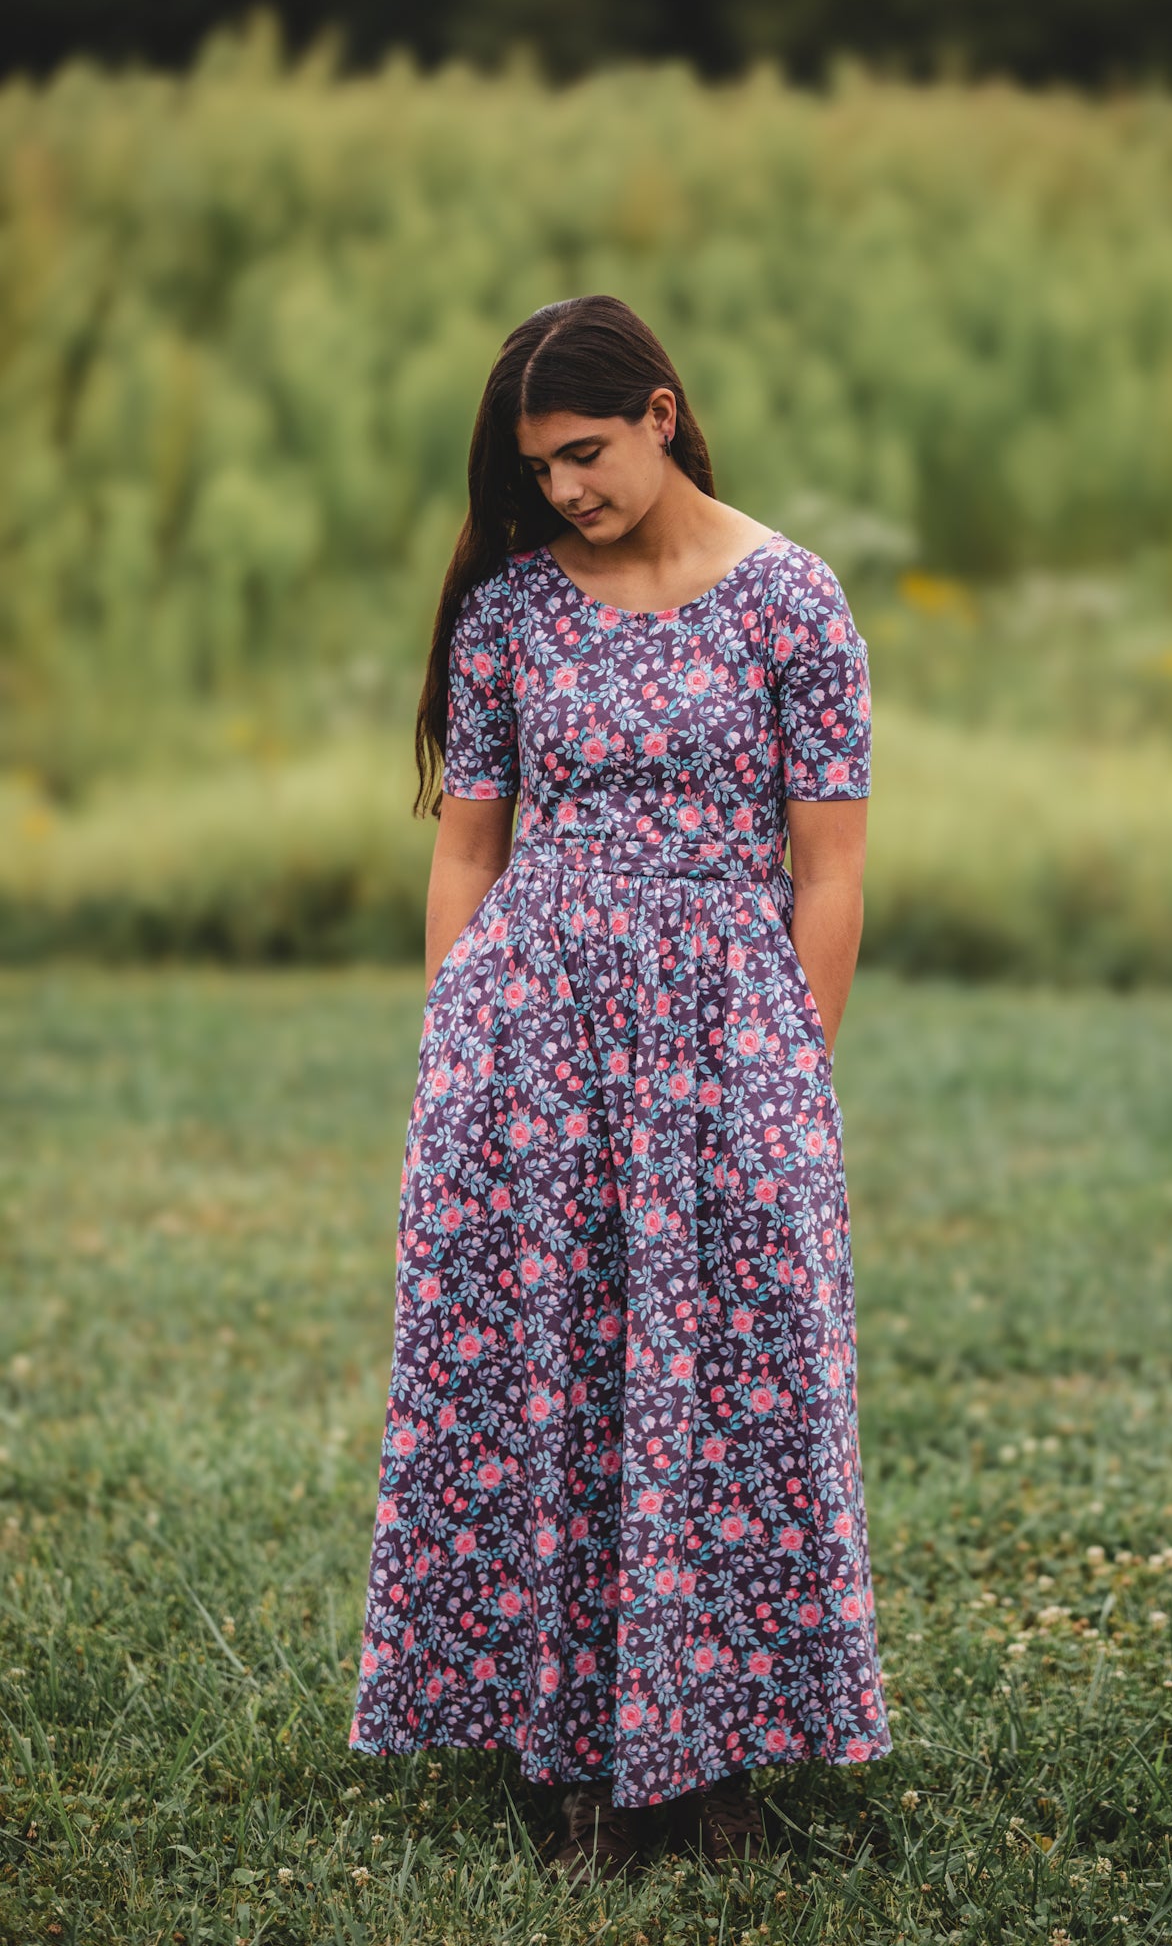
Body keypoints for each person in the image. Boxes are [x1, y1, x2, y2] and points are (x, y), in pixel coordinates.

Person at [348, 293, 891, 1879]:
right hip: (532, 1040)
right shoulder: (511, 610)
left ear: (661, 413)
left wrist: (789, 1067)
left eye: (584, 452)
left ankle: (710, 1751)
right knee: (549, 1378)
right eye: (538, 469)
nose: (563, 489)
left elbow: (828, 870)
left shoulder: (793, 601)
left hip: (728, 1038)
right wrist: (454, 1040)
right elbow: (468, 848)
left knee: (733, 1386)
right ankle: (566, 1749)